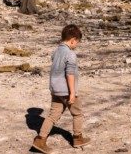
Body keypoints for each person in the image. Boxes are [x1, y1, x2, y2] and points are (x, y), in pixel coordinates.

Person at [32, 25, 91, 153]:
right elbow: (69, 75)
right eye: (77, 42)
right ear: (73, 40)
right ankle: (77, 138)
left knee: (52, 116)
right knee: (77, 113)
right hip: (66, 90)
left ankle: (40, 139)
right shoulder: (70, 54)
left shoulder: (56, 51)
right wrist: (72, 93)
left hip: (55, 89)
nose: (77, 45)